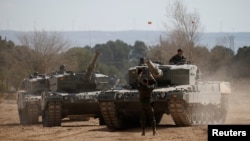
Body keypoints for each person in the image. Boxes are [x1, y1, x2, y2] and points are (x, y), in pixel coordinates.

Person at [136, 69, 158, 136]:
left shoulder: (140, 88)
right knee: (152, 118)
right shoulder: (149, 88)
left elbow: (136, 82)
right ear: (147, 83)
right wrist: (152, 76)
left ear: (142, 82)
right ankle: (154, 132)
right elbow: (155, 83)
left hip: (142, 105)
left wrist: (139, 76)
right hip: (149, 104)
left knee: (143, 118)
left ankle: (143, 132)